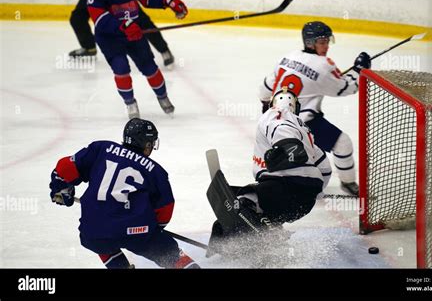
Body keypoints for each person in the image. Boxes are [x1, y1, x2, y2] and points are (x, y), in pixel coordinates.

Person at [49, 118, 199, 269]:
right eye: (152, 143)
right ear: (146, 145)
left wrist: (61, 189)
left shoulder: (101, 148)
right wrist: (152, 229)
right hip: (137, 233)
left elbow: (64, 168)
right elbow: (165, 210)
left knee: (101, 237)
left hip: (92, 232)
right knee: (170, 253)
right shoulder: (155, 171)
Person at [207, 87, 331, 257]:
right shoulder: (307, 133)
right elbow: (325, 169)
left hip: (284, 188)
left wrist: (288, 146)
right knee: (266, 212)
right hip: (303, 203)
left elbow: (282, 130)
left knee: (244, 203)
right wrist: (314, 193)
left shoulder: (275, 114)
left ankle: (252, 245)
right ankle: (270, 235)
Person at [258, 21, 371, 196]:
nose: (326, 46)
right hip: (303, 123)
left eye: (327, 41)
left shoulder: (288, 57)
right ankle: (347, 183)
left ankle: (283, 182)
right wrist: (359, 70)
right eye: (321, 42)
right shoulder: (324, 65)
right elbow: (346, 88)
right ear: (310, 42)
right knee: (342, 144)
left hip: (273, 120)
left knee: (294, 156)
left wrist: (266, 105)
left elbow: (266, 86)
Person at [84, 0, 188, 118]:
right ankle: (130, 103)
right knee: (121, 68)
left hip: (133, 33)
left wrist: (165, 1)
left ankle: (163, 96)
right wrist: (124, 25)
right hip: (110, 39)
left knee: (149, 67)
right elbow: (100, 19)